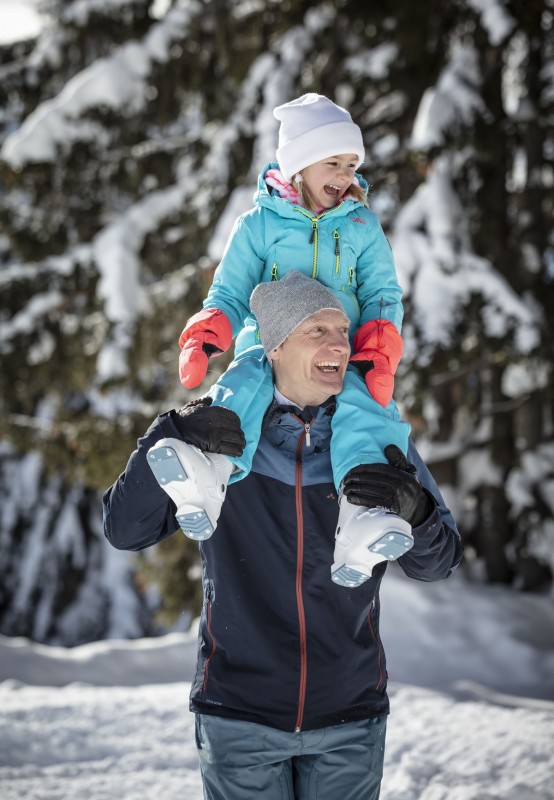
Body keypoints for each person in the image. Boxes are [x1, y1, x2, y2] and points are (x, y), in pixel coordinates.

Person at [103, 275, 463, 800]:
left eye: (342, 329)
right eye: (317, 329)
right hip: (239, 714)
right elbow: (124, 528)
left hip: (349, 718)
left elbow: (440, 561)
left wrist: (419, 510)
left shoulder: (375, 440)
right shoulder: (220, 436)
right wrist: (170, 433)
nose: (339, 344)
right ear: (273, 347)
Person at [171, 93, 412, 574]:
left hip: (339, 352)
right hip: (271, 344)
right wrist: (209, 329)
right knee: (244, 381)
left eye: (352, 164)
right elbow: (230, 290)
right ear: (300, 164)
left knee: (366, 408)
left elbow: (383, 292)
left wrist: (379, 347)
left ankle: (362, 515)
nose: (346, 177)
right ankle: (213, 472)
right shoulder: (259, 225)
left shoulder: (361, 225)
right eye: (334, 163)